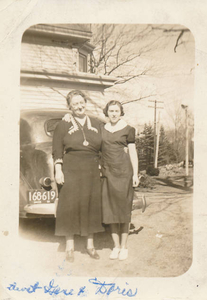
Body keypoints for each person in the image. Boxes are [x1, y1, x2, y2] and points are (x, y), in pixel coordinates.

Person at [52, 90, 104, 263]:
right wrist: (58, 170)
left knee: (91, 205)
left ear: (85, 103)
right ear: (69, 107)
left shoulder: (97, 124)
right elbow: (57, 149)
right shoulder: (63, 125)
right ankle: (69, 247)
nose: (79, 106)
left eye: (81, 102)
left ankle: (90, 246)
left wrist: (102, 165)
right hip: (71, 169)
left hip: (91, 170)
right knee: (70, 206)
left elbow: (105, 147)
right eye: (75, 104)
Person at [101, 100, 139, 261]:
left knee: (123, 211)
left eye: (117, 111)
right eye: (111, 111)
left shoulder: (128, 129)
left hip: (124, 174)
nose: (114, 113)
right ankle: (115, 246)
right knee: (110, 212)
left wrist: (135, 174)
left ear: (121, 112)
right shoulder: (101, 129)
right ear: (107, 112)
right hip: (107, 174)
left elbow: (132, 153)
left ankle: (124, 247)